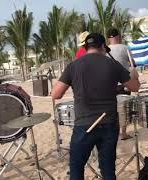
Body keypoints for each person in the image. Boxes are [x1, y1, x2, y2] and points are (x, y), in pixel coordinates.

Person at [51, 33, 140, 180]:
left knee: (76, 168)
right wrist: (134, 74)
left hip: (83, 125)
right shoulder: (113, 64)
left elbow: (55, 94)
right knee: (108, 170)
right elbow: (134, 87)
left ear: (86, 47)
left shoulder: (73, 65)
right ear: (103, 46)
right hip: (109, 123)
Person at [107, 28, 136, 140]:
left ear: (109, 38)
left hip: (110, 84)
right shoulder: (125, 47)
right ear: (118, 36)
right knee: (124, 109)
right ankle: (123, 133)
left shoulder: (105, 50)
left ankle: (112, 132)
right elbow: (132, 63)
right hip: (124, 83)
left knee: (112, 109)